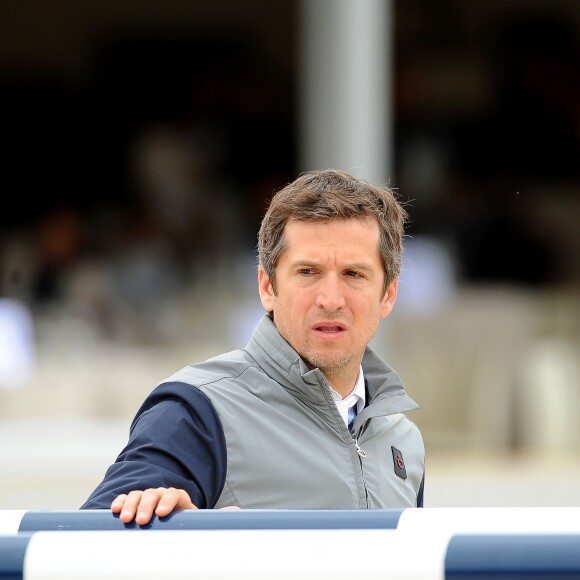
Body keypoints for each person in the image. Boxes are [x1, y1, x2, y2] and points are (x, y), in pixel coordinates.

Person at [81, 168, 425, 524]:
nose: (330, 298)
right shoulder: (197, 411)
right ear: (267, 287)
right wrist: (179, 546)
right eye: (307, 272)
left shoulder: (404, 441)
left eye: (354, 274)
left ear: (388, 295)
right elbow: (74, 553)